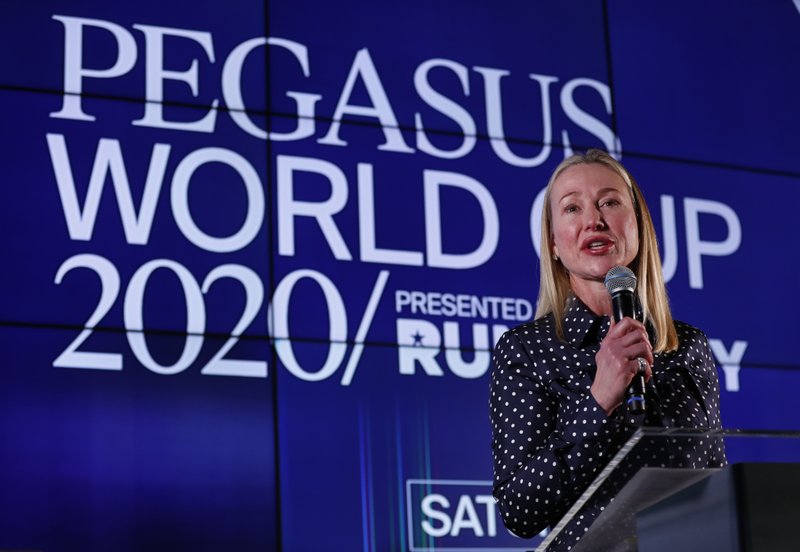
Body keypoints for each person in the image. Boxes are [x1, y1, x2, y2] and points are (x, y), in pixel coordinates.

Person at [488, 149, 726, 551]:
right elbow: (520, 511)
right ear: (554, 244)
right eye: (572, 208)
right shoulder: (526, 351)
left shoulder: (689, 346)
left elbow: (718, 488)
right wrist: (598, 400)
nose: (593, 220)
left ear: (638, 226)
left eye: (609, 202)